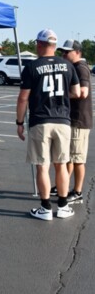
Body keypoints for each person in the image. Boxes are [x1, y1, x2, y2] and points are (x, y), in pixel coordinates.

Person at [16, 29, 80, 221]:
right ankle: (62, 205)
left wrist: (19, 122)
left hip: (40, 121)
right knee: (61, 165)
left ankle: (45, 207)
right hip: (62, 121)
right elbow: (76, 92)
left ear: (41, 44)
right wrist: (59, 97)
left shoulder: (32, 66)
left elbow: (23, 98)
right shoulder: (68, 66)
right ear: (54, 45)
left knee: (42, 166)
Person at [54, 40, 92, 204]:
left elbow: (82, 92)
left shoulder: (80, 68)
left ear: (77, 52)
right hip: (73, 119)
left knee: (77, 158)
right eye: (62, 52)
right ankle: (63, 185)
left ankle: (77, 191)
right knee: (69, 156)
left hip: (79, 120)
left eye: (66, 52)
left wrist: (60, 95)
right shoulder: (75, 67)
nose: (63, 55)